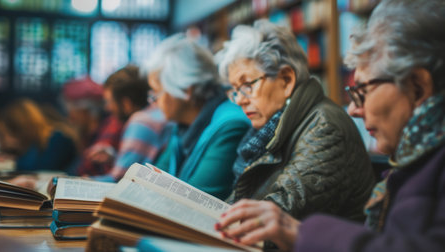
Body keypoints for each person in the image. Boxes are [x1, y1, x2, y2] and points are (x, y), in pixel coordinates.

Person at [215, 0, 445, 251]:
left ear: (418, 87)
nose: (353, 110)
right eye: (235, 90)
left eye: (362, 91)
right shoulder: (414, 155)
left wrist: (298, 232)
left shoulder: (325, 127)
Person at [214, 19, 374, 226]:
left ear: (286, 80)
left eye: (247, 85)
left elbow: (270, 222)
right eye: (235, 91)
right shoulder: (266, 131)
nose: (241, 100)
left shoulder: (325, 127)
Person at [146, 34, 251, 200]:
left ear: (186, 90)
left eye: (157, 92)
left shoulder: (231, 125)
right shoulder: (182, 127)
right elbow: (150, 180)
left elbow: (194, 199)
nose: (153, 102)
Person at [96, 65, 171, 181]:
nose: (107, 108)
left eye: (110, 102)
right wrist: (115, 157)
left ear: (126, 103)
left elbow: (120, 178)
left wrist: (82, 181)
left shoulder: (141, 122)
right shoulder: (156, 113)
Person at [62, 77, 124, 176]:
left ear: (86, 111)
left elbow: (84, 170)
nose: (70, 117)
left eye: (73, 110)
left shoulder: (111, 128)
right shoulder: (87, 133)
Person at [0, 99, 77, 172]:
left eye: (13, 132)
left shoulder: (58, 137)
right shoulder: (41, 139)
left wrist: (16, 157)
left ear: (21, 127)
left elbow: (37, 168)